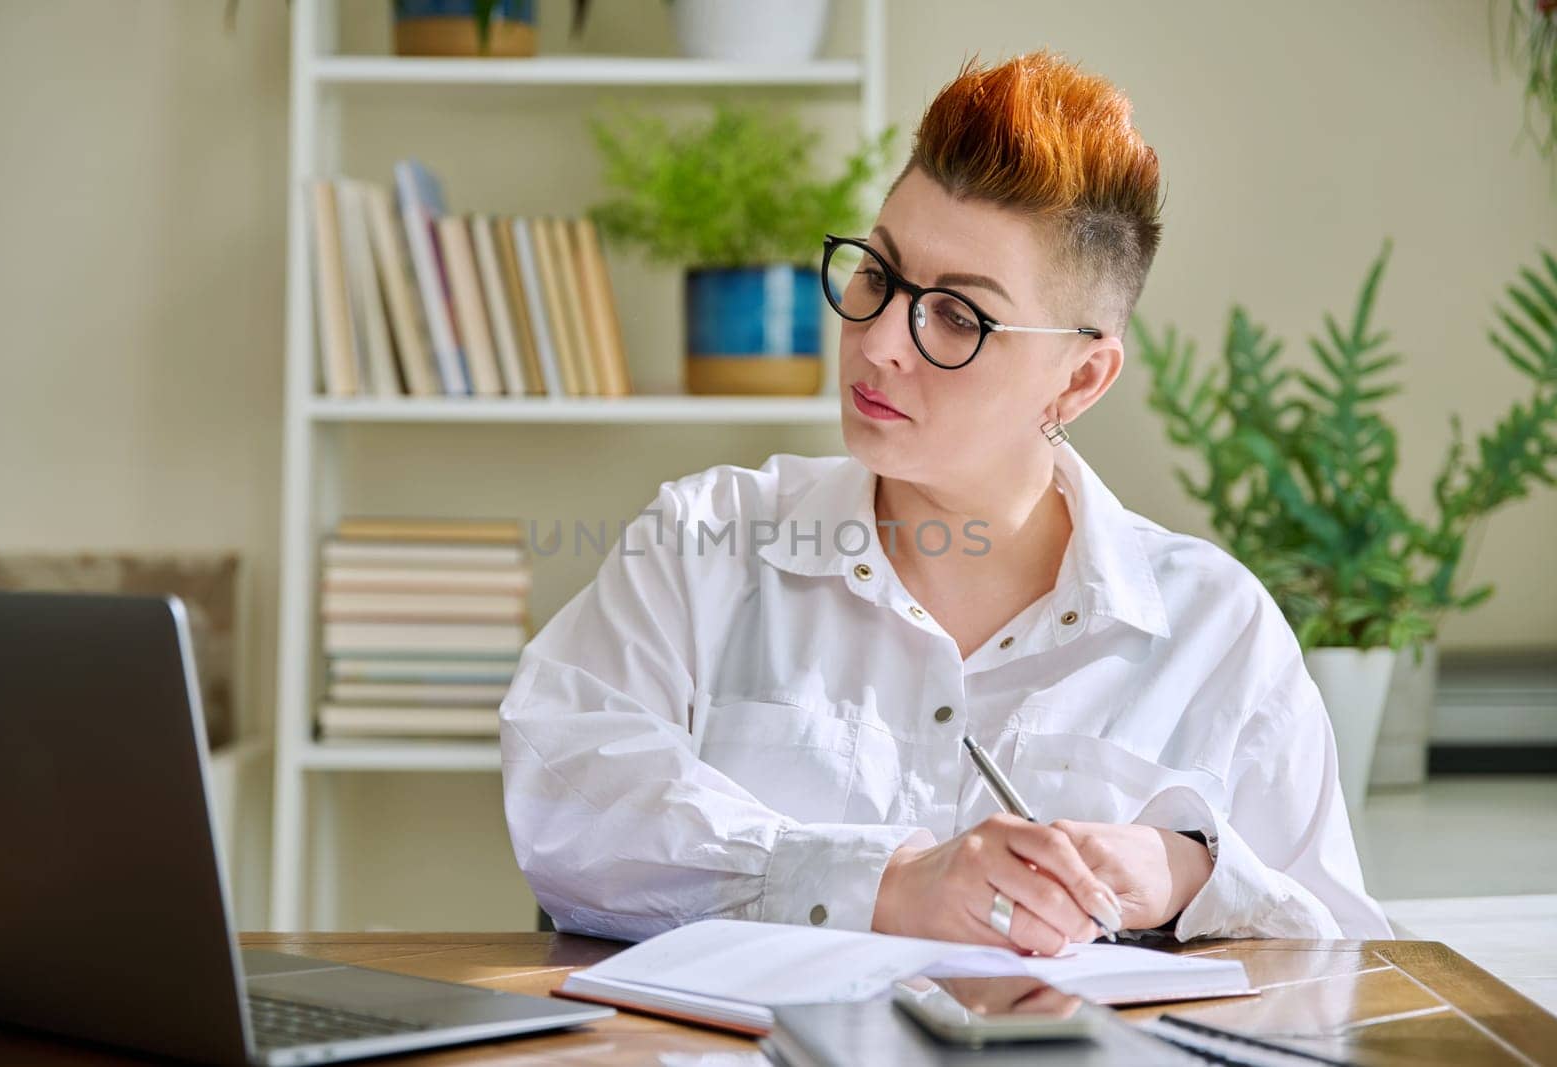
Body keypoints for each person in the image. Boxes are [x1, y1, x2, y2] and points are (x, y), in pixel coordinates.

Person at [500, 50, 1392, 954]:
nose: (882, 340)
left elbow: (1342, 964)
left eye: (959, 317)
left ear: (1081, 378)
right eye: (878, 276)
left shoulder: (1216, 633)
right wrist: (883, 886)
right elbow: (565, 798)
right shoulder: (706, 543)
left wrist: (1193, 873)